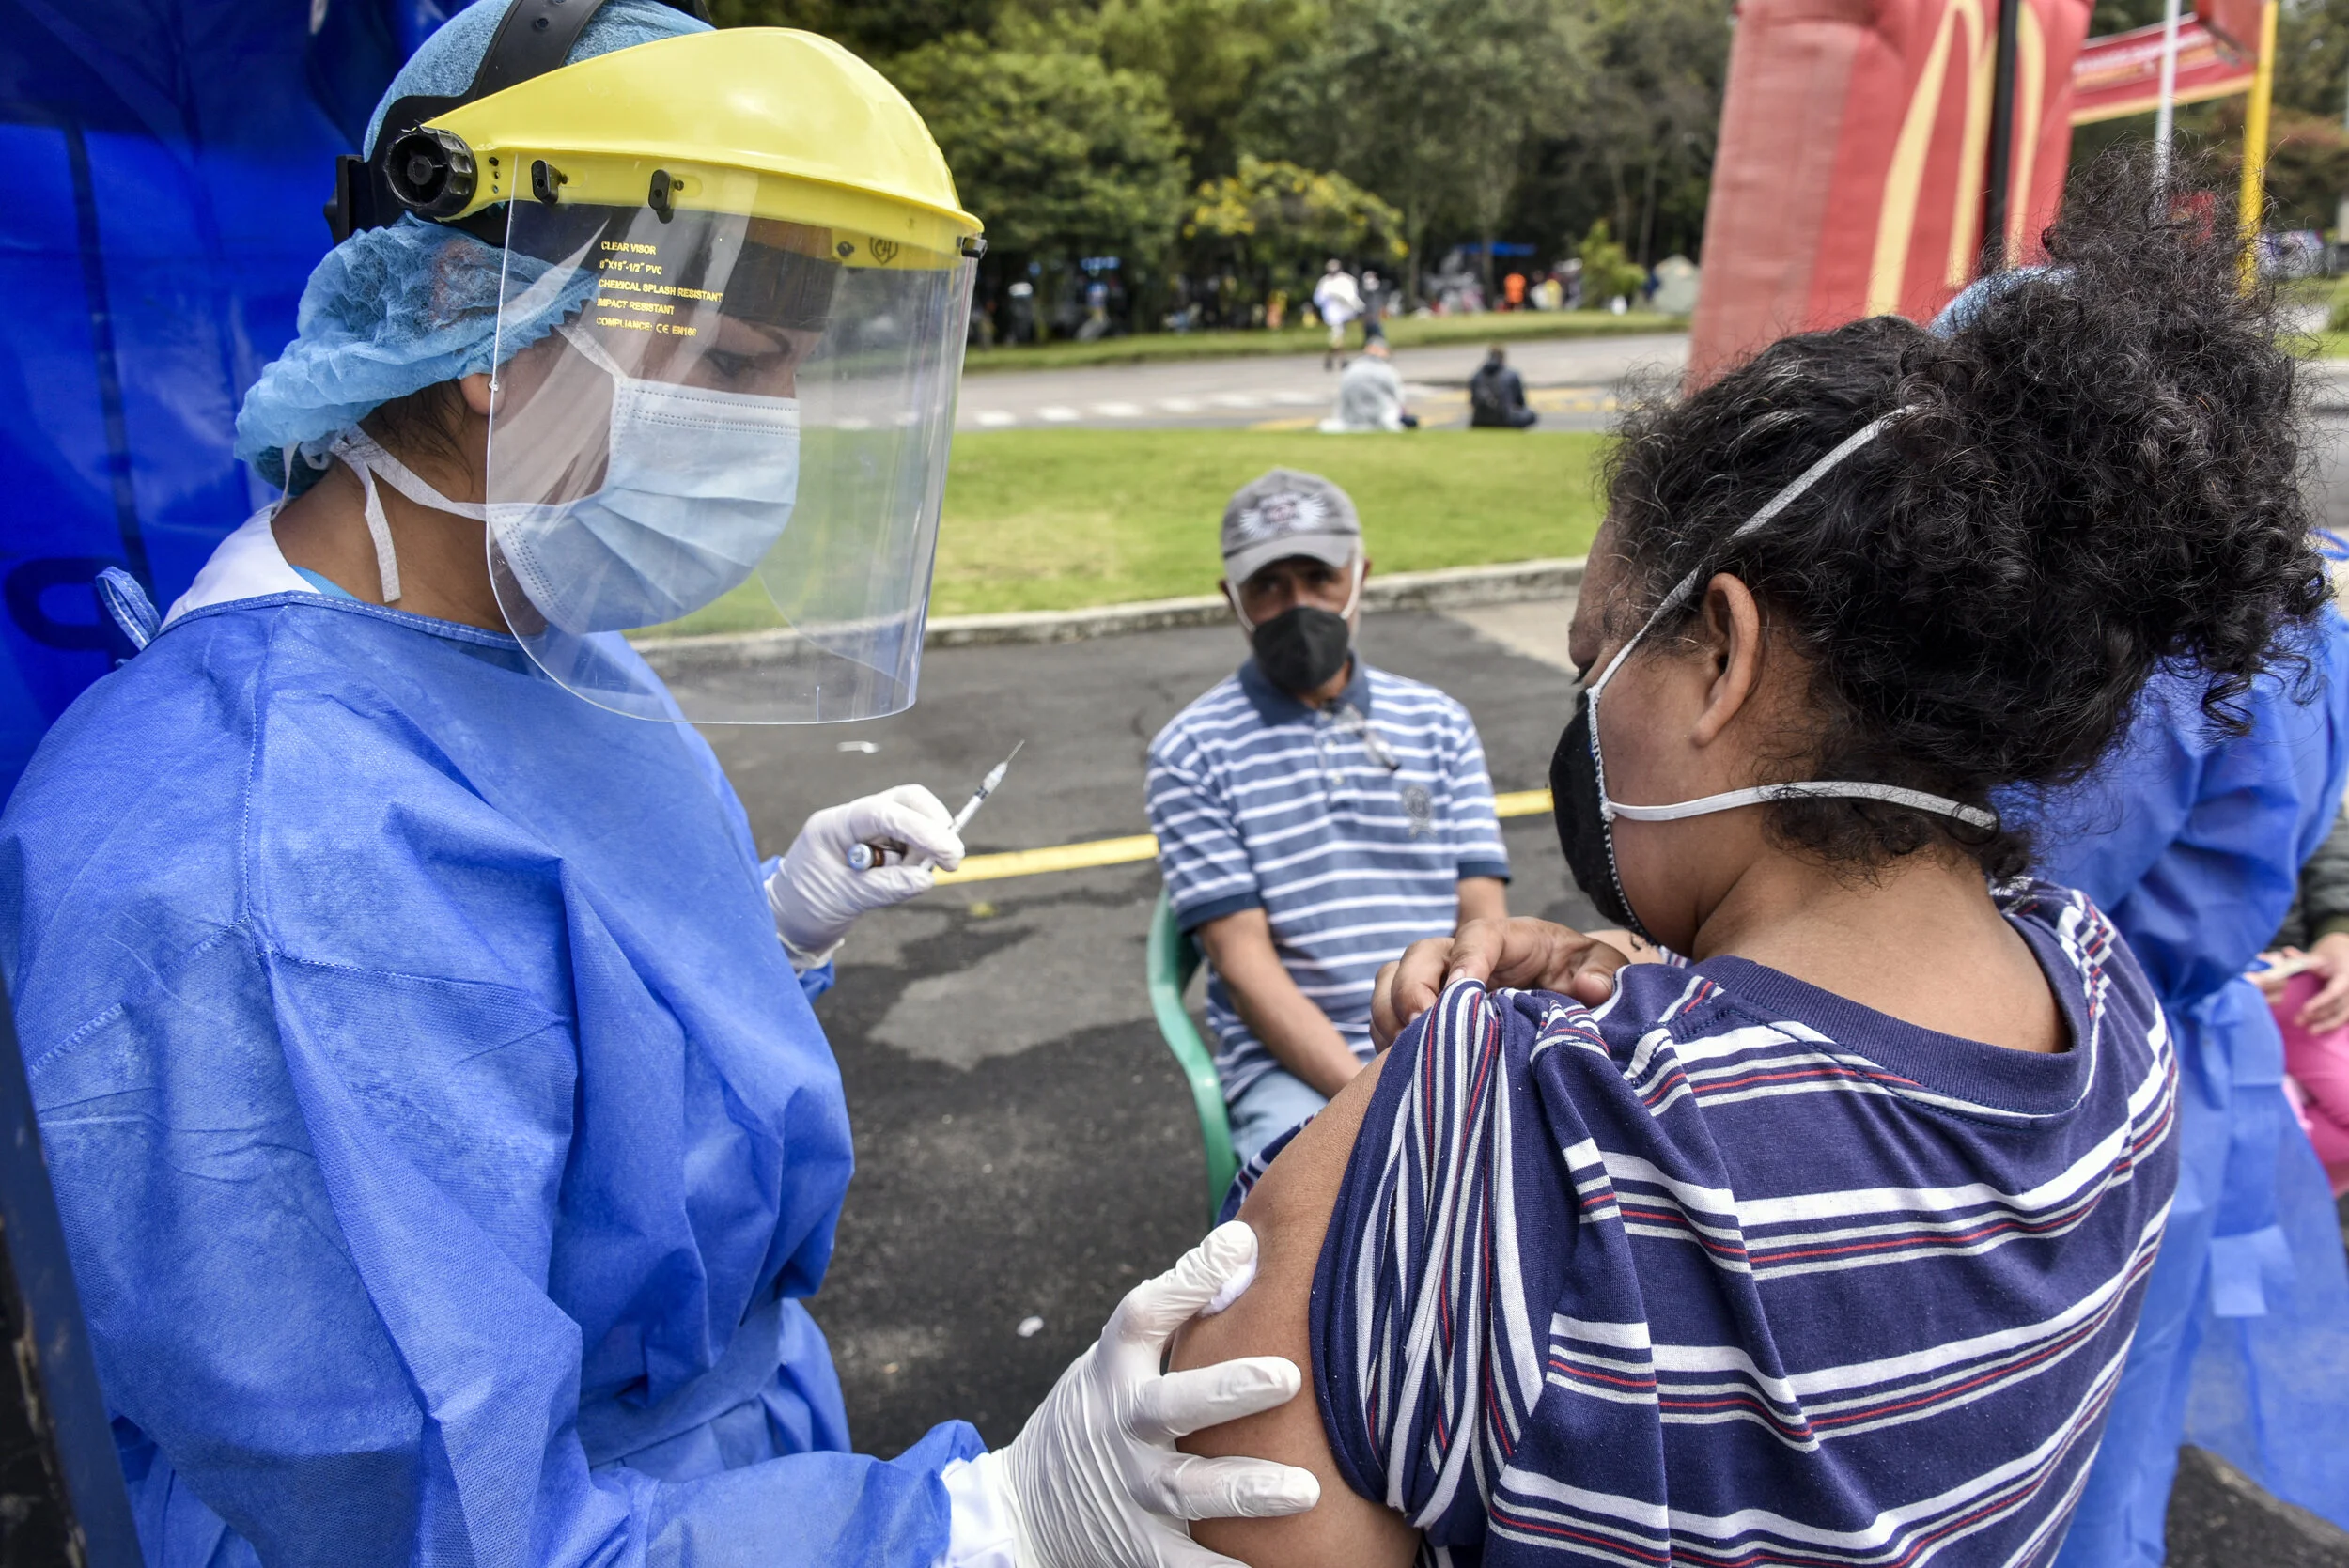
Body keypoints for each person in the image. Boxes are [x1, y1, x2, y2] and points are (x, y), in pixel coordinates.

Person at [0, 6, 1322, 1563]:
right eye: (733, 365)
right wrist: (977, 1526)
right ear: (473, 312)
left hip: (734, 1476)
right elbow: (447, 1523)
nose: (759, 439)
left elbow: (525, 1059)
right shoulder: (260, 857)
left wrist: (765, 929)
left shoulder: (526, 631)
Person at [1162, 165, 2326, 1566]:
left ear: (1721, 652)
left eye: (1599, 655)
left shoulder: (1509, 1135)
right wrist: (1657, 990)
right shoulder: (2108, 1007)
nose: (1585, 713)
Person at [1144, 470, 1509, 1166]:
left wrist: (1448, 1053)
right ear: (1234, 600)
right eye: (1269, 586)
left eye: (1319, 577)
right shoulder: (1190, 753)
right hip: (1294, 1067)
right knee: (1300, 1234)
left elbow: (1483, 916)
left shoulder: (1438, 724)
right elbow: (1244, 965)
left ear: (1360, 575)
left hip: (1444, 1031)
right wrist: (1370, 1092)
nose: (1298, 604)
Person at [1320, 339, 1416, 432]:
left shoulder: (1351, 369)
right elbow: (1399, 398)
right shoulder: (1386, 371)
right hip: (1381, 421)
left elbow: (1341, 397)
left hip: (1349, 421)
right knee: (1411, 421)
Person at [1466, 344, 1537, 429]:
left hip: (1479, 420)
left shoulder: (1477, 375)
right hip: (1505, 419)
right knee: (1531, 414)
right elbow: (1521, 402)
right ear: (1503, 358)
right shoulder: (1512, 374)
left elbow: (1472, 402)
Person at [1311, 259, 1361, 370]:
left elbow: (1352, 296)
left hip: (1344, 313)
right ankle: (1342, 360)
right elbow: (1318, 299)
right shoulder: (1325, 282)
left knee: (1338, 336)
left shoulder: (1346, 280)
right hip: (1332, 315)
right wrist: (1329, 296)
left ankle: (1330, 358)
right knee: (1337, 335)